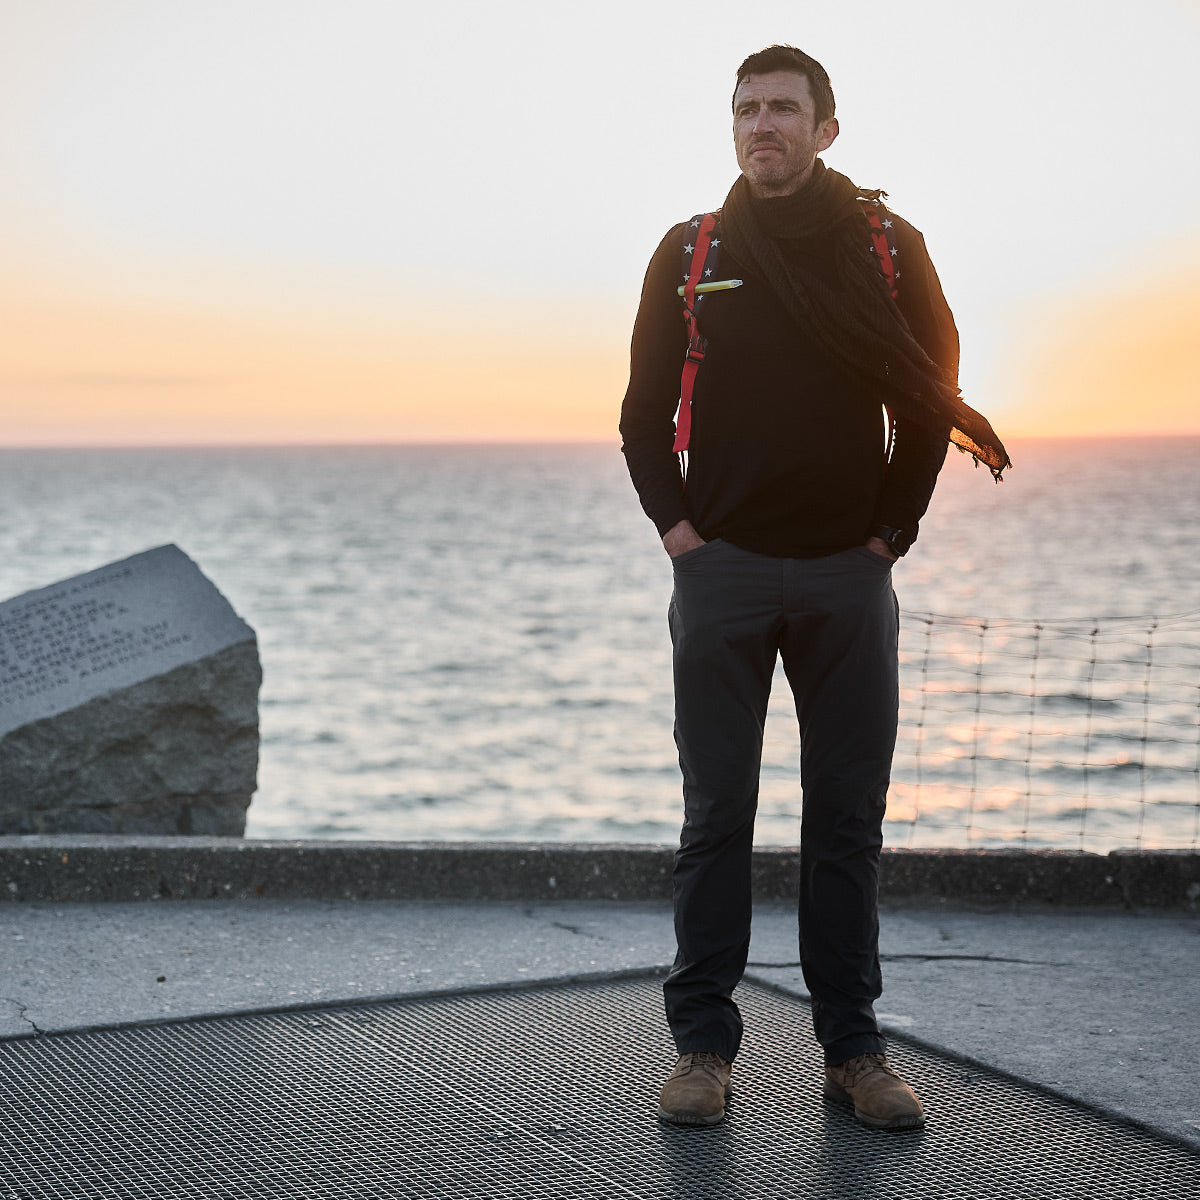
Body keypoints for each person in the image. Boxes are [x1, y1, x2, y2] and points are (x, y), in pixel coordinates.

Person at [618, 44, 1009, 1132]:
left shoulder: (886, 247)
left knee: (846, 821)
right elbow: (642, 414)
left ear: (826, 127)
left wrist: (890, 532)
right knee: (716, 818)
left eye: (784, 109)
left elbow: (934, 395)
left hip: (847, 573)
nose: (762, 126)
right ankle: (702, 1048)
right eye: (746, 110)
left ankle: (854, 1050)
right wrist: (682, 536)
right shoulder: (691, 252)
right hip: (724, 573)